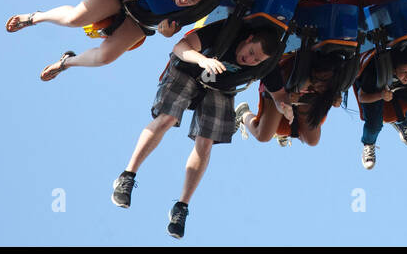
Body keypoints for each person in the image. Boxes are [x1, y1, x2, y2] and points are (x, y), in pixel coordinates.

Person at [110, 21, 282, 238]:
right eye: (250, 53)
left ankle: (181, 207)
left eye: (256, 60)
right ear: (248, 39)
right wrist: (203, 59)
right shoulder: (226, 31)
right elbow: (180, 47)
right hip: (190, 69)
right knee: (167, 119)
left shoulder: (265, 63)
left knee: (205, 141)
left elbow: (279, 93)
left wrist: (284, 105)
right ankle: (127, 176)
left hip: (220, 87)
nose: (249, 60)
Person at [3, 0, 224, 79]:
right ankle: (35, 17)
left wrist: (167, 32)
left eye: (191, 0)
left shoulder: (194, 8)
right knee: (75, 19)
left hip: (141, 19)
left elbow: (171, 28)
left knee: (105, 58)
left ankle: (66, 62)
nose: (184, 0)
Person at [236, 50, 343, 148]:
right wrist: (286, 96)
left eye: (326, 84)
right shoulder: (292, 73)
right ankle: (243, 114)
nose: (322, 85)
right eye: (322, 79)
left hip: (305, 100)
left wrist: (333, 97)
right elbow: (273, 85)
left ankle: (288, 129)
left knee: (312, 141)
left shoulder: (332, 83)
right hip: (278, 90)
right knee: (263, 135)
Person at [355, 42, 407, 170]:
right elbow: (362, 97)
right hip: (376, 89)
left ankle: (403, 124)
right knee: (374, 125)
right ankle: (368, 144)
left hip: (399, 87)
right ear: (393, 69)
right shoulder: (374, 74)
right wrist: (380, 95)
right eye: (404, 72)